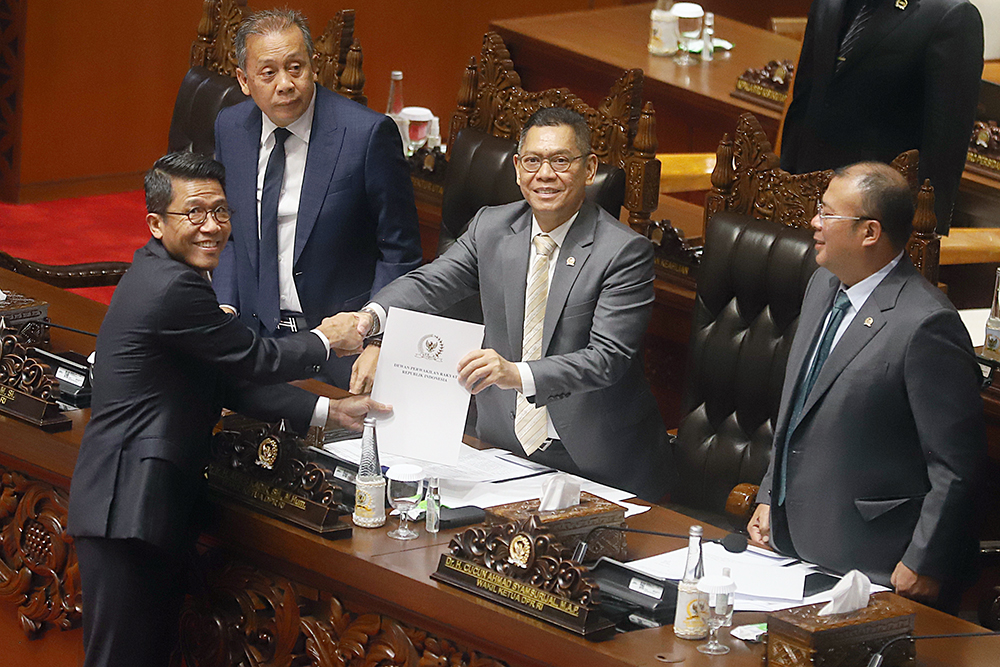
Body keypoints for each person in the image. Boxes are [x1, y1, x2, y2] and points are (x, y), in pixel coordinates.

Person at [67, 152, 389, 667]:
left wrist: (329, 412)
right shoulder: (174, 288)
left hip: (137, 507)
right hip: (126, 510)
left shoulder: (162, 272)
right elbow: (256, 358)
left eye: (220, 211)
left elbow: (222, 379)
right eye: (193, 213)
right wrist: (327, 339)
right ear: (155, 223)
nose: (211, 227)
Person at [353, 107, 674, 502]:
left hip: (599, 463)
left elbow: (607, 359)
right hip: (504, 451)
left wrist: (515, 374)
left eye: (561, 161)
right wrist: (368, 320)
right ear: (518, 168)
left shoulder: (624, 252)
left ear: (589, 169)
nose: (545, 175)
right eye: (534, 161)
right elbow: (431, 283)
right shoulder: (491, 226)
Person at [748, 162, 986, 610]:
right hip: (792, 547)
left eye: (827, 214)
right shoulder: (823, 284)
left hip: (873, 565)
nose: (814, 223)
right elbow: (800, 406)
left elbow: (957, 463)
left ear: (870, 232)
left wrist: (925, 560)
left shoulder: (926, 325)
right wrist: (768, 493)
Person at [212, 8, 422, 390]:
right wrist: (225, 307)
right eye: (268, 72)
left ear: (314, 67)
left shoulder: (368, 135)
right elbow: (229, 234)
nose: (285, 84)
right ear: (244, 80)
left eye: (296, 67)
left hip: (343, 347)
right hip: (253, 339)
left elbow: (400, 251)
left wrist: (378, 339)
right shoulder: (231, 128)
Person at [779, 0, 984, 233]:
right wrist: (785, 184)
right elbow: (805, 101)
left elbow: (944, 150)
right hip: (802, 202)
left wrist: (923, 237)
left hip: (877, 219)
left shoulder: (952, 16)